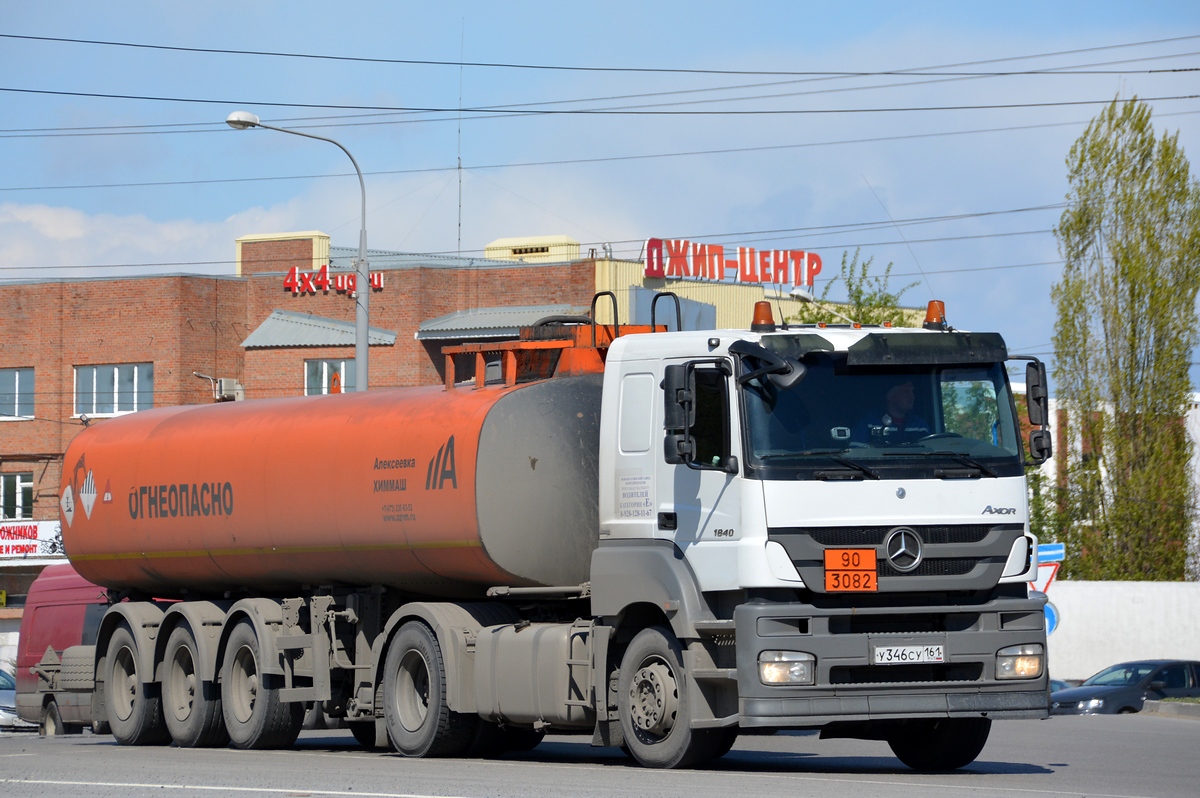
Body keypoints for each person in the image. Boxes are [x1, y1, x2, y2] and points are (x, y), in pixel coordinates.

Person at [852, 378, 930, 445]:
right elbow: (856, 452)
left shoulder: (920, 426)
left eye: (912, 392)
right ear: (891, 396)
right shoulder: (868, 423)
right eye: (906, 392)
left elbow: (930, 452)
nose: (912, 397)